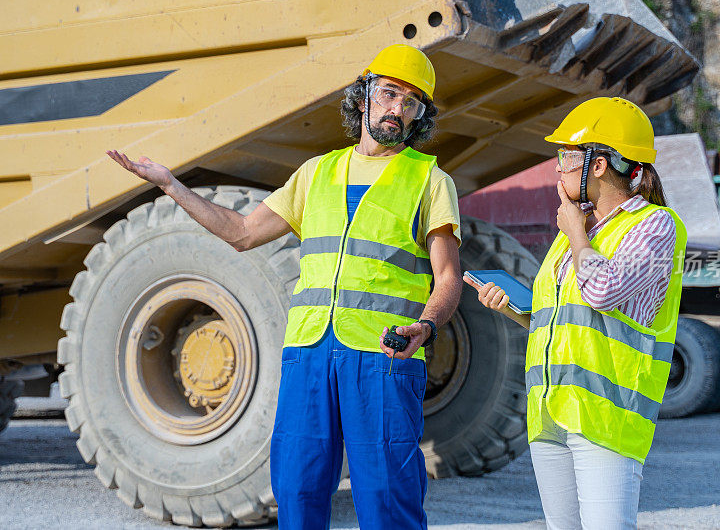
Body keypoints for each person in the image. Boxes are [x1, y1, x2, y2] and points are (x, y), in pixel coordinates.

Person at [107, 44, 462, 529]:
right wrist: (172, 186)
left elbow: (447, 277)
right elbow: (241, 232)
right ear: (363, 97)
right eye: (388, 93)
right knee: (297, 492)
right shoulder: (315, 174)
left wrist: (426, 324)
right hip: (310, 352)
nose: (396, 109)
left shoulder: (429, 180)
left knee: (387, 501)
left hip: (385, 357)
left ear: (419, 116)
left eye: (410, 103)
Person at [464, 97, 687, 529]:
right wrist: (510, 308)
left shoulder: (656, 225)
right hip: (550, 412)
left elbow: (602, 292)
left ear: (599, 165)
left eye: (566, 156)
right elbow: (558, 322)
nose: (558, 168)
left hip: (606, 418)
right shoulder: (576, 228)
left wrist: (577, 236)